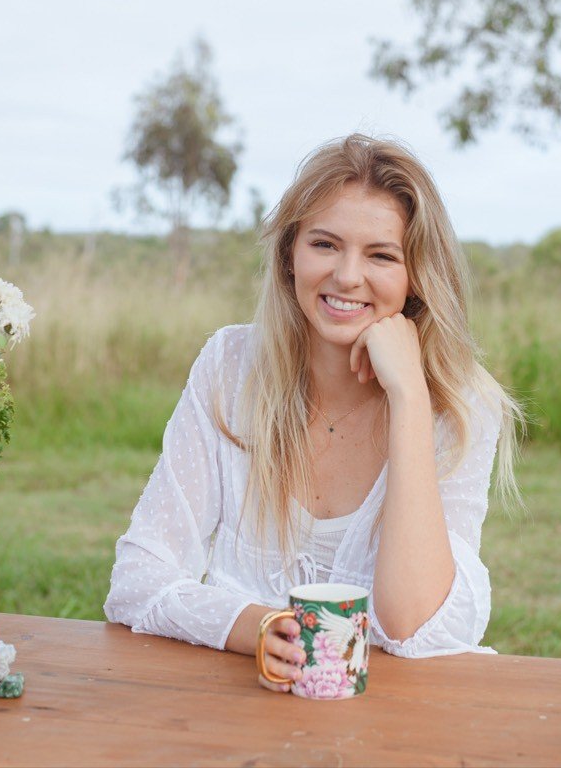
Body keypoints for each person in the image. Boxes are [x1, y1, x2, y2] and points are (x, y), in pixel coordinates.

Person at [104, 133, 522, 693]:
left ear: (417, 275)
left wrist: (410, 398)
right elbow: (136, 579)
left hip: (397, 723)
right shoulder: (231, 366)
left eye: (381, 255)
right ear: (289, 255)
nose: (348, 276)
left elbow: (411, 622)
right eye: (325, 244)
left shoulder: (459, 402)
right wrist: (258, 627)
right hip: (232, 708)